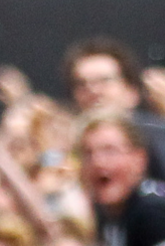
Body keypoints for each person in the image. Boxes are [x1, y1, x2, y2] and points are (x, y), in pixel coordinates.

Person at [78, 114, 165, 246]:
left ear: (139, 159)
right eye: (88, 154)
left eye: (109, 151)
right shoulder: (111, 217)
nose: (97, 162)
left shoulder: (150, 212)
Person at [62, 37, 165, 179]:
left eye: (104, 80)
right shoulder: (66, 147)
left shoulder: (155, 136)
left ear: (132, 91)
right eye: (82, 84)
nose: (93, 90)